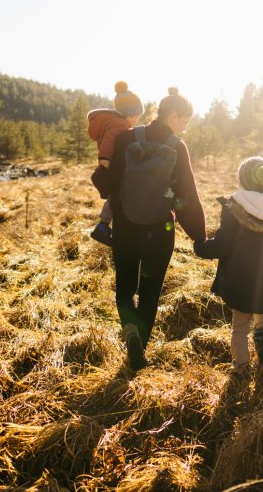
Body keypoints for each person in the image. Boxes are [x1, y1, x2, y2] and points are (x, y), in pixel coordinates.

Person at [97, 87, 206, 371]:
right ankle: (139, 349)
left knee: (124, 287)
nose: (186, 126)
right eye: (185, 120)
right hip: (161, 230)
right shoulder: (177, 147)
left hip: (126, 227)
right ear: (172, 115)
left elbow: (111, 182)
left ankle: (130, 335)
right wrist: (200, 236)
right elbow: (186, 198)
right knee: (150, 292)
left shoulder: (127, 138)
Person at [194, 156, 263, 375]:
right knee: (262, 312)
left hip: (240, 278)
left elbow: (223, 244)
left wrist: (202, 247)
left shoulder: (234, 206)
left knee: (239, 328)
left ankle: (240, 368)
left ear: (243, 178)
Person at [86, 81, 144, 246]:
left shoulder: (117, 122)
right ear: (129, 114)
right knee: (116, 195)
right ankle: (103, 226)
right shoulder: (119, 124)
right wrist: (104, 158)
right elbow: (110, 140)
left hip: (112, 164)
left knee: (115, 195)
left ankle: (103, 225)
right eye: (137, 116)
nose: (137, 119)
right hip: (111, 165)